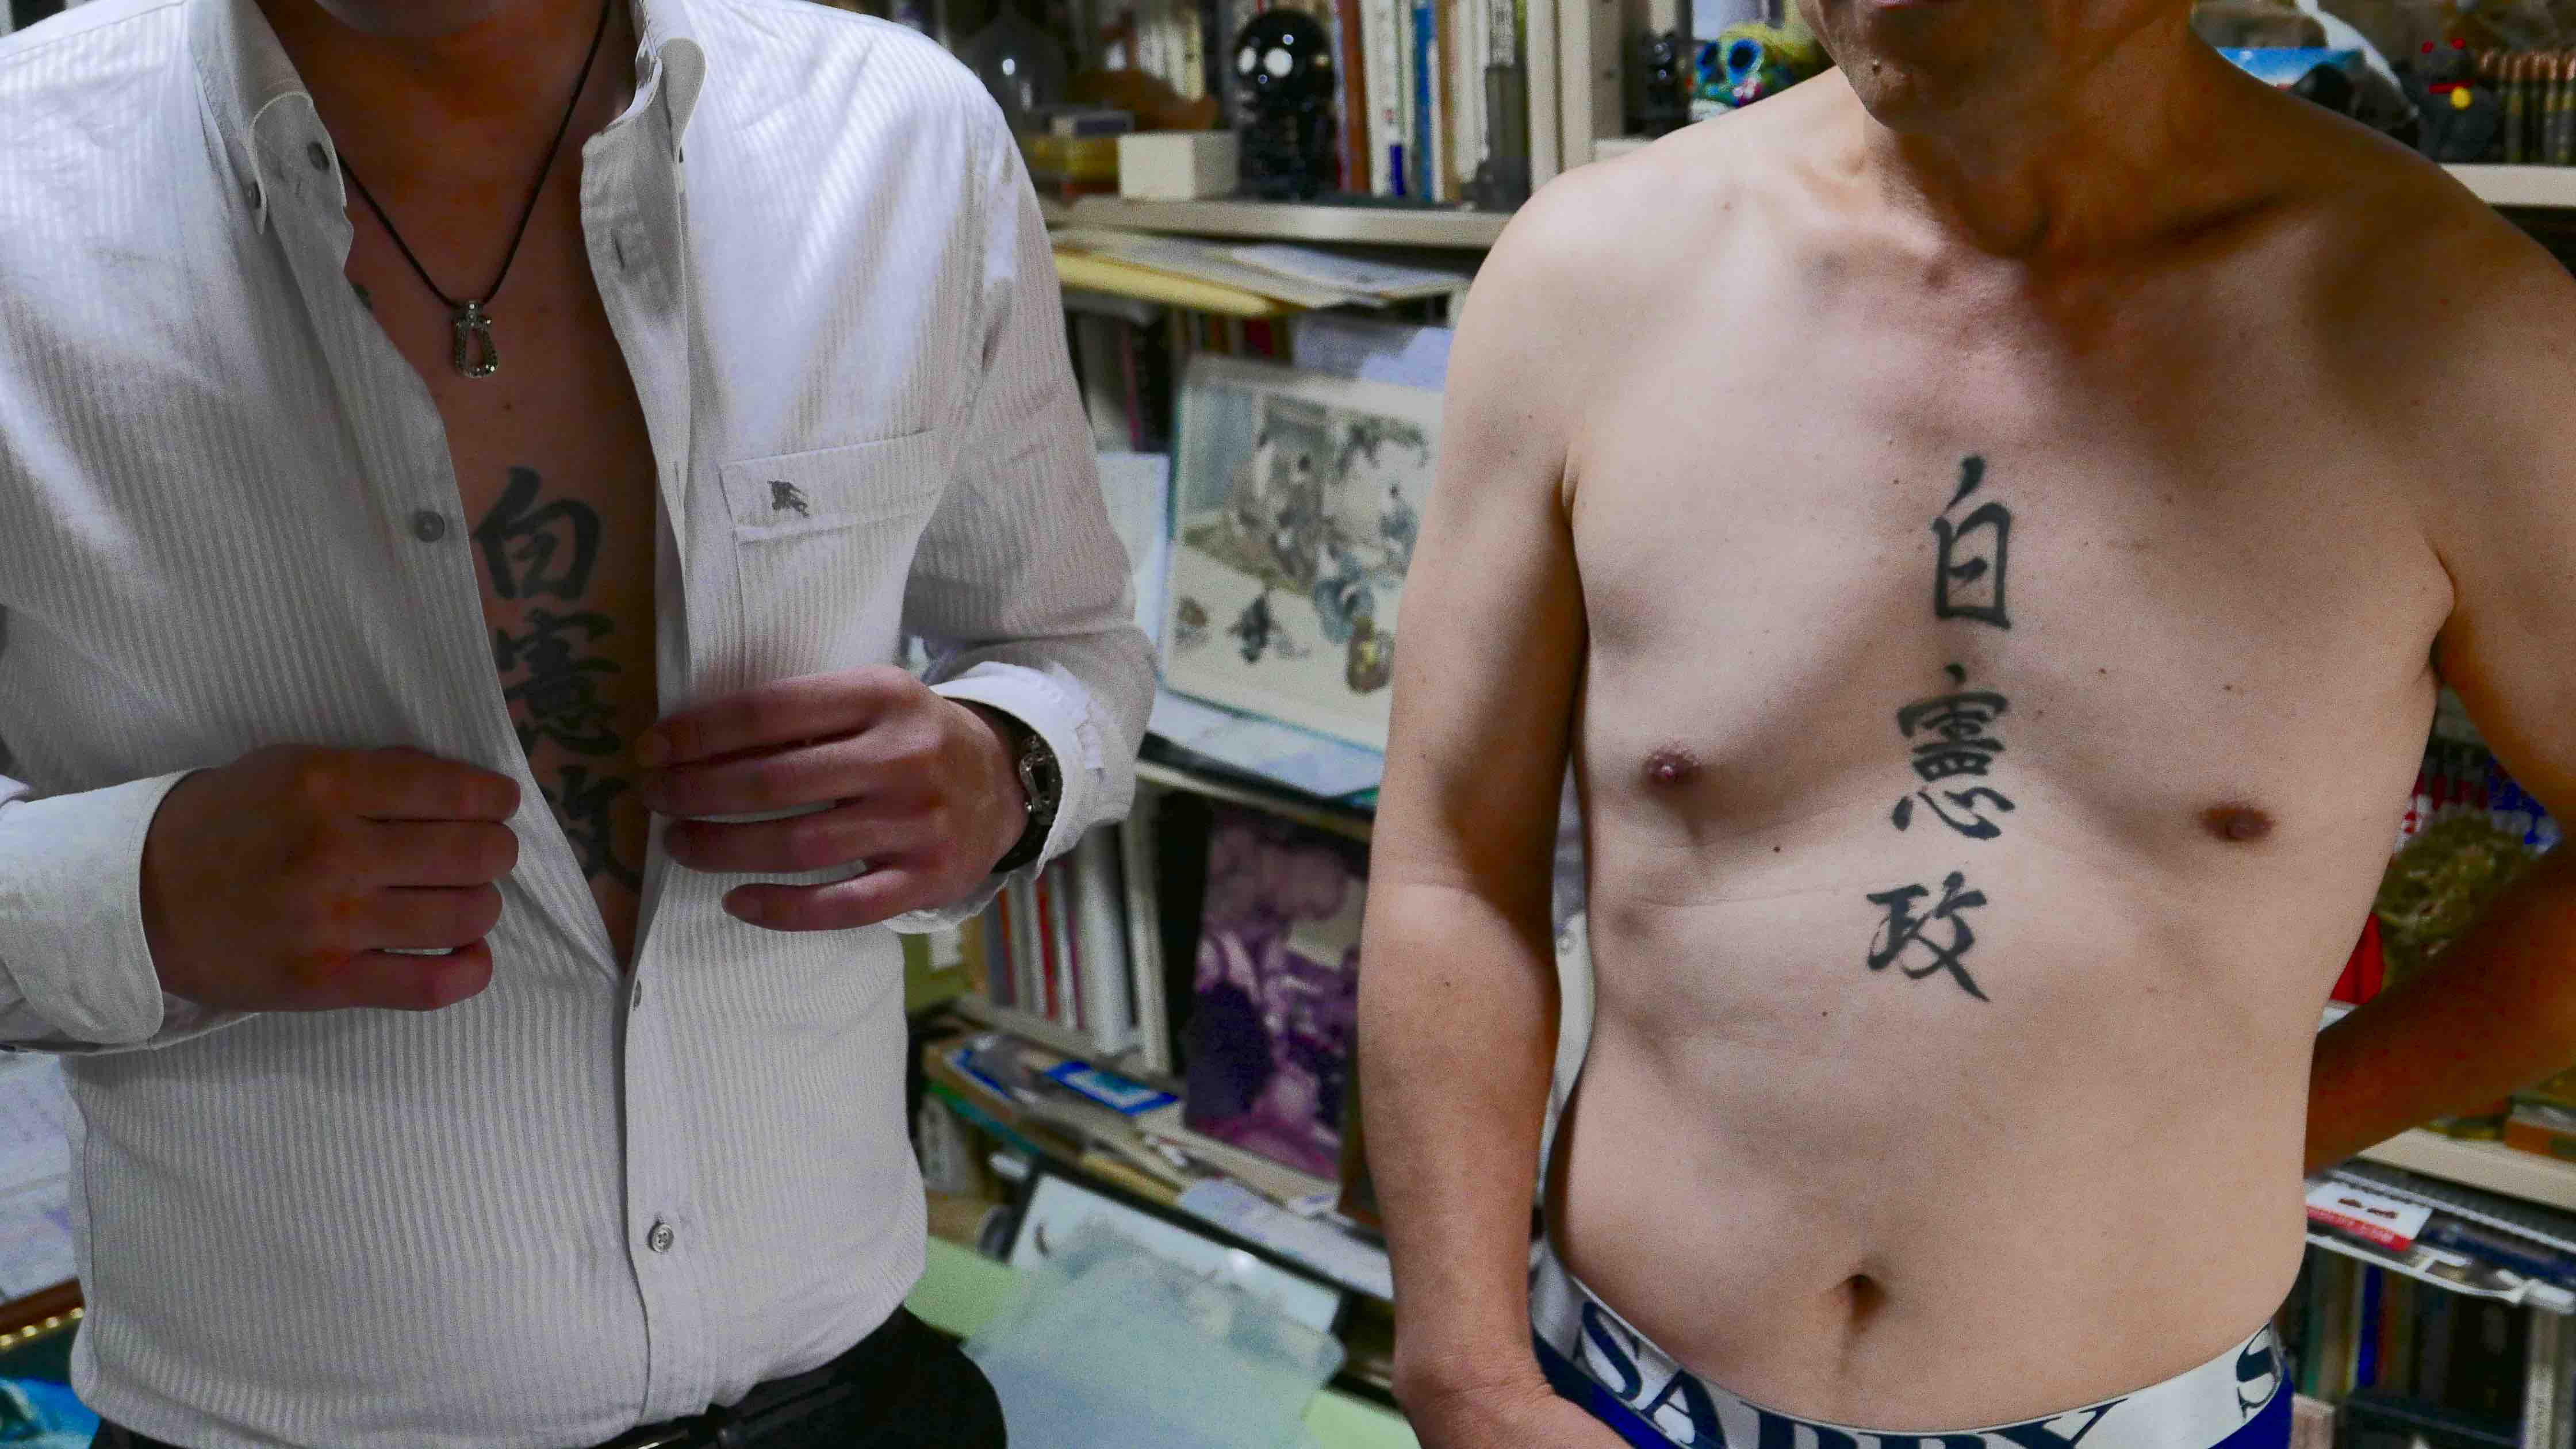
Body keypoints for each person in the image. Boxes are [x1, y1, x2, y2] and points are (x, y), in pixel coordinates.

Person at [1356, 3, 2576, 1448]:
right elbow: (1447, 867)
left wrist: (2294, 1117)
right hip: (1604, 1390)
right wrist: (1461, 1367)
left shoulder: (2460, 339)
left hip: (2135, 1417)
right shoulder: (1591, 279)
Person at [0, 0, 1152, 1440]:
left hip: (858, 1399)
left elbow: (1071, 645)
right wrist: (136, 894)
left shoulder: (899, 140)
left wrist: (1006, 773)